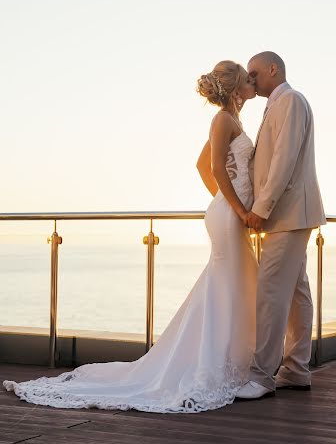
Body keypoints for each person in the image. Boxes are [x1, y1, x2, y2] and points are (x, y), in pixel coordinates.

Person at [3, 60, 259, 413]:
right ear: (235, 90)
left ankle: (229, 361)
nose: (252, 85)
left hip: (229, 211)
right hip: (229, 215)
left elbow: (204, 165)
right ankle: (212, 368)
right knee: (228, 283)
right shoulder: (222, 120)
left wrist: (231, 200)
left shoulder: (233, 121)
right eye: (248, 81)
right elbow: (212, 167)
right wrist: (235, 205)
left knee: (231, 283)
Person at [236, 51, 326, 400]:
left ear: (274, 69)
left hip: (287, 214)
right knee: (297, 293)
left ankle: (260, 377)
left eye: (255, 73)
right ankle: (296, 370)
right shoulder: (279, 104)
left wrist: (261, 208)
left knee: (270, 291)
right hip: (292, 214)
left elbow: (284, 161)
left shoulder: (290, 100)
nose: (251, 80)